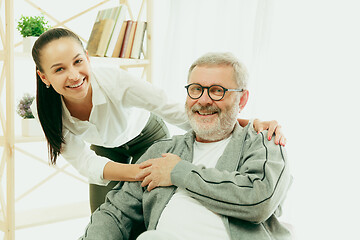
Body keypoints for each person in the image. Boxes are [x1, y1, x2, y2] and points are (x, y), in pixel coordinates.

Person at [31, 27, 286, 213]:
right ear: (44, 78)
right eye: (59, 69)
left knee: (155, 204)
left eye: (78, 62)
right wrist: (134, 172)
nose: (74, 75)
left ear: (87, 58)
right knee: (104, 212)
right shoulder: (45, 110)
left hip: (148, 136)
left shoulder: (117, 82)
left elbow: (174, 110)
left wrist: (247, 123)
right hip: (106, 149)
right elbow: (85, 163)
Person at [79, 52, 292, 240]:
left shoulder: (264, 142)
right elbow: (116, 212)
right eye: (196, 89)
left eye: (217, 91)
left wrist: (178, 172)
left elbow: (258, 200)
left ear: (242, 99)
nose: (204, 100)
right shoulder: (162, 151)